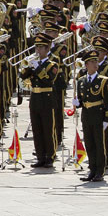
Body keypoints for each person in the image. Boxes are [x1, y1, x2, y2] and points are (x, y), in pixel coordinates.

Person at [21, 34, 64, 169]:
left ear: (47, 48)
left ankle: (50, 156)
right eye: (36, 47)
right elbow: (23, 77)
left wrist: (37, 67)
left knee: (48, 129)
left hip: (47, 98)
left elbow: (48, 79)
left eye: (41, 48)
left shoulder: (53, 64)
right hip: (35, 98)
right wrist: (27, 66)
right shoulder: (34, 63)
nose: (38, 50)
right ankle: (40, 156)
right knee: (37, 129)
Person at [75, 49, 108, 182]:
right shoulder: (81, 81)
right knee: (89, 143)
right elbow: (81, 100)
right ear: (86, 65)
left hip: (98, 115)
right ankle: (92, 169)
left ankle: (99, 171)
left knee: (99, 144)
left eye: (96, 61)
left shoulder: (103, 81)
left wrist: (107, 119)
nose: (95, 64)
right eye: (91, 62)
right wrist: (77, 103)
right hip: (86, 115)